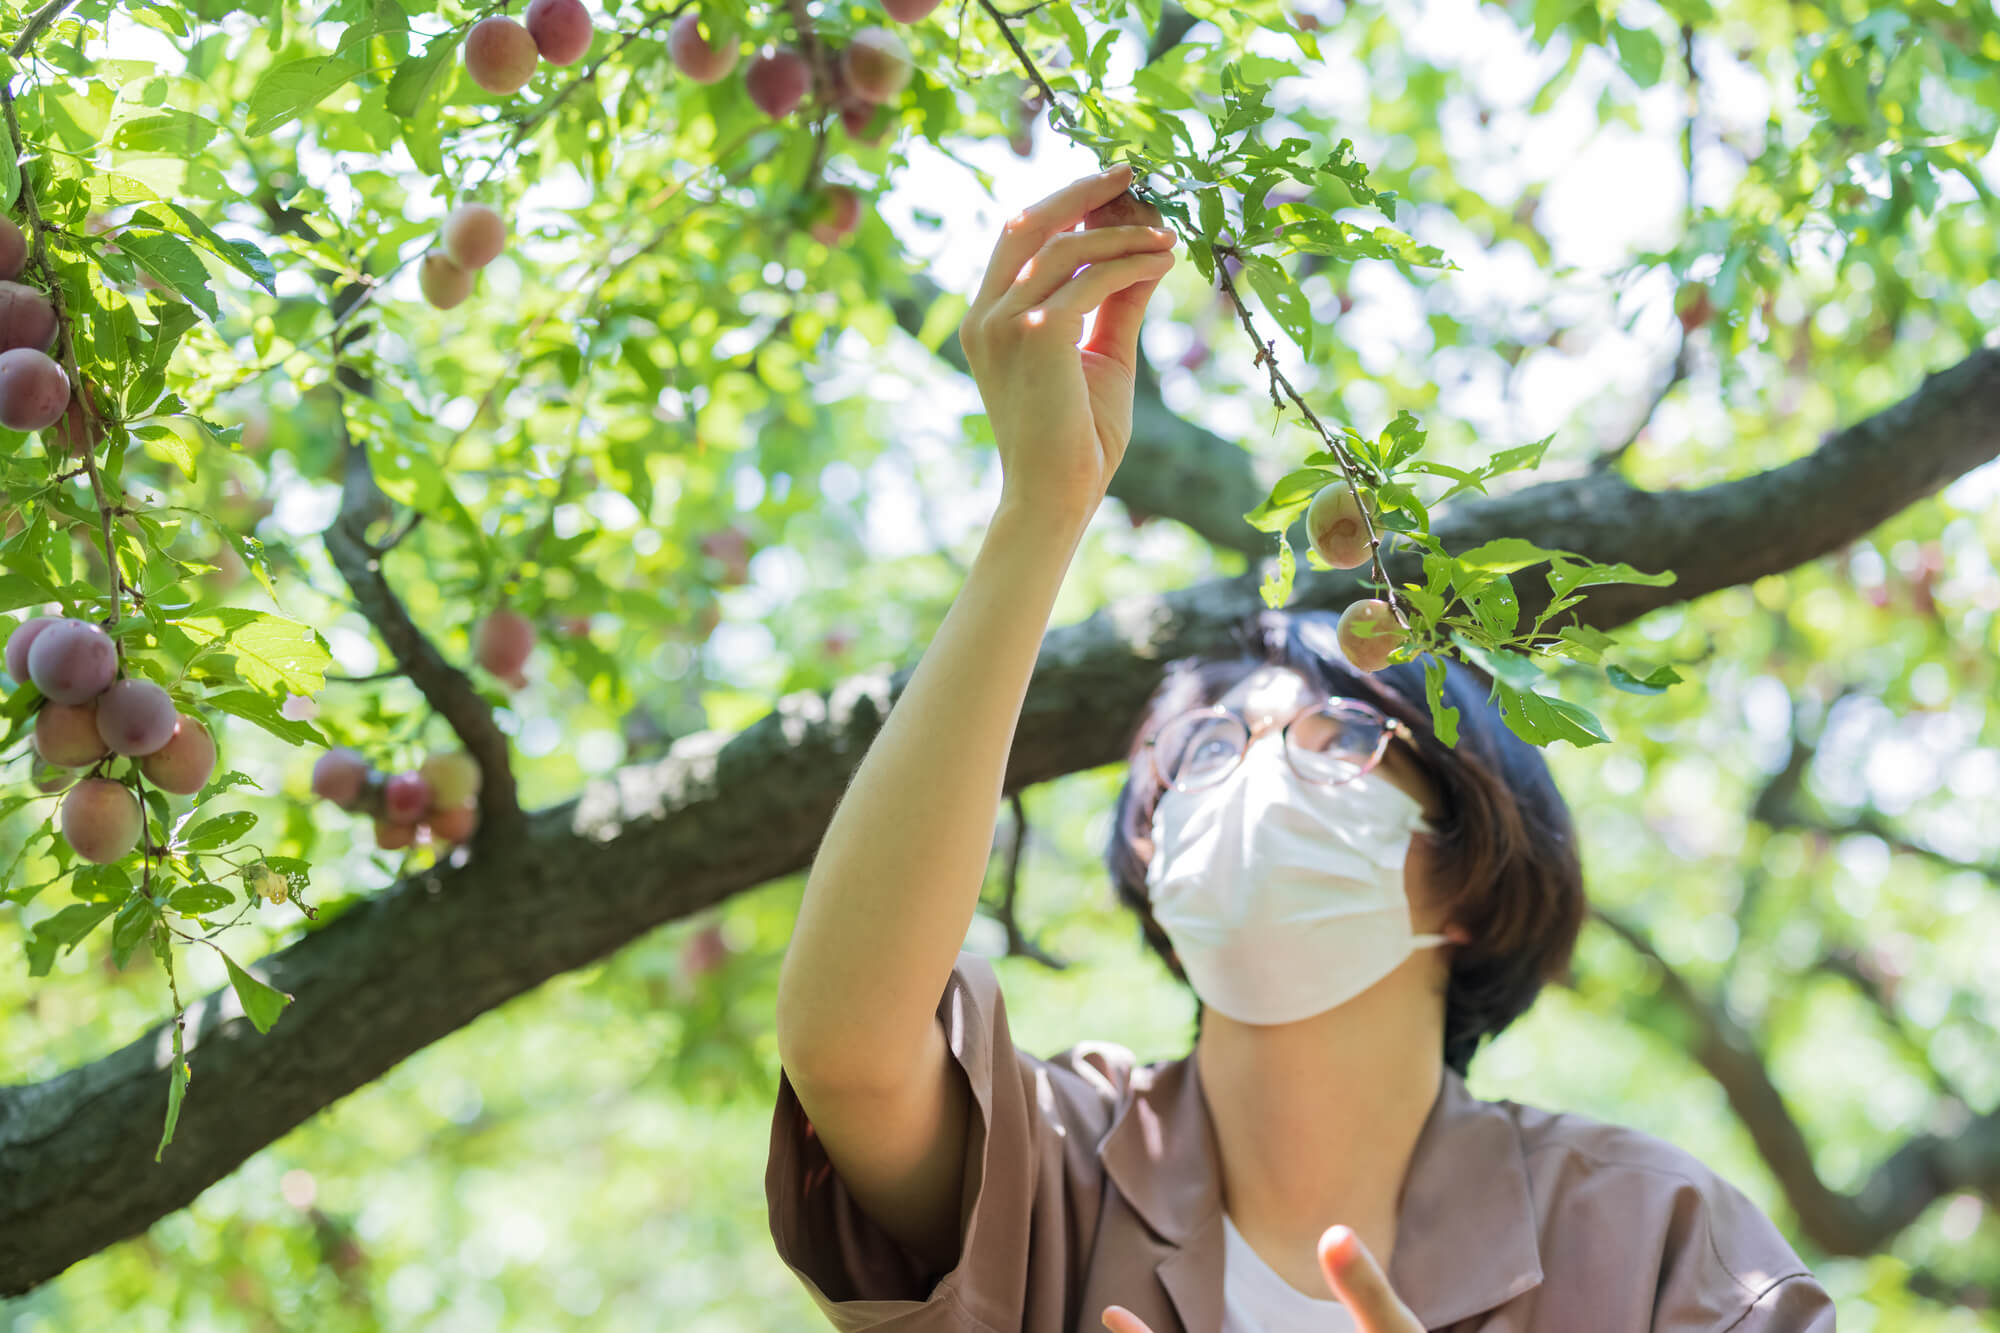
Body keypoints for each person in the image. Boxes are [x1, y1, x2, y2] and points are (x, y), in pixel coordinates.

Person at [766, 164, 1837, 1331]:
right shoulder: (1055, 1170)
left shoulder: (1667, 1249)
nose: (1256, 772)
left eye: (1334, 736)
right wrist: (1042, 507)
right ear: (1152, 860)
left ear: (1473, 870)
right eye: (1210, 750)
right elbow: (850, 1053)